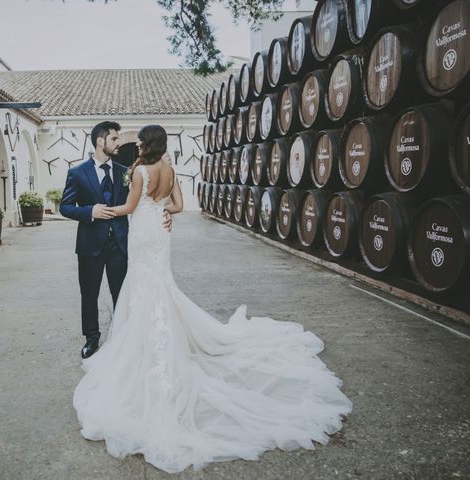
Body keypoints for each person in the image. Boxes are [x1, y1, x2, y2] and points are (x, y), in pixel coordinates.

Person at [73, 125, 352, 473]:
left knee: (143, 286)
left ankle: (143, 344)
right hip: (158, 235)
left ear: (147, 144)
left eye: (140, 141)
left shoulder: (141, 170)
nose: (137, 144)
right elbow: (178, 204)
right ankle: (154, 336)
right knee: (159, 285)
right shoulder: (170, 169)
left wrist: (102, 210)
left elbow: (129, 207)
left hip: (143, 235)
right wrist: (163, 213)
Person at [59, 121, 170, 359]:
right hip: (90, 244)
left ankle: (124, 336)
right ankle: (92, 337)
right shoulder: (77, 173)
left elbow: (145, 201)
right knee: (89, 294)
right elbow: (65, 207)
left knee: (123, 293)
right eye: (114, 139)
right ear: (101, 141)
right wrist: (89, 212)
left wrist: (165, 212)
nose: (118, 143)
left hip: (120, 244)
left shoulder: (124, 172)